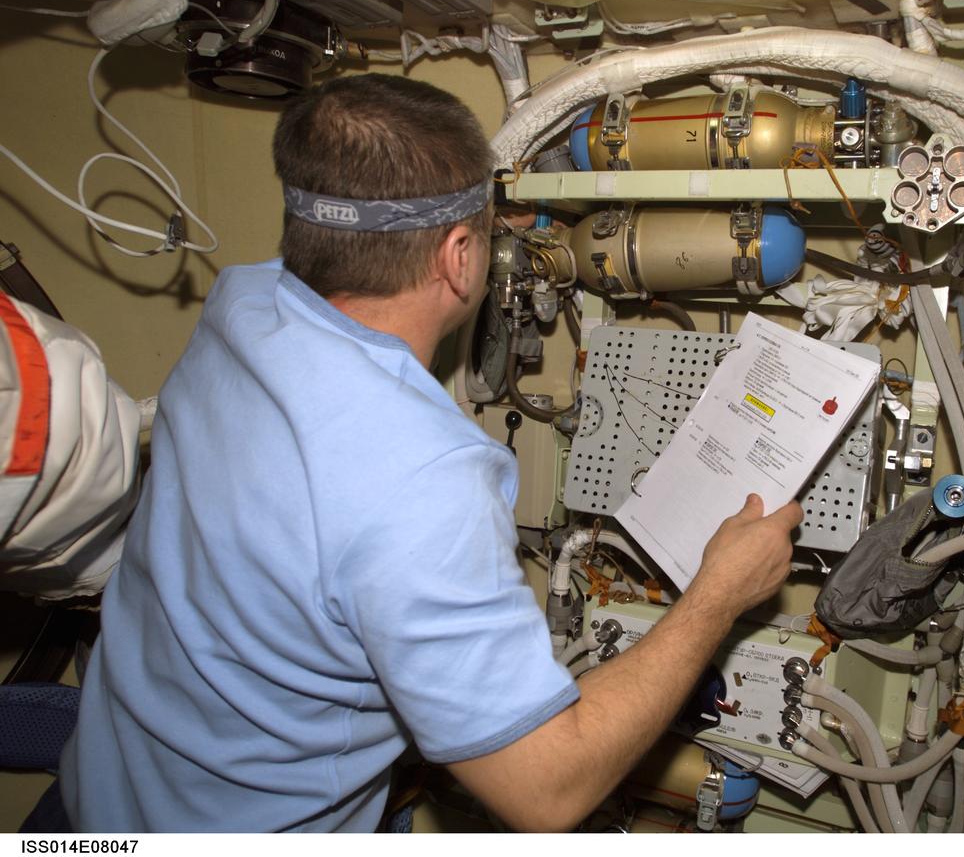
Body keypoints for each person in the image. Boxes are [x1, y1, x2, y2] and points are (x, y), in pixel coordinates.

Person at [60, 73, 802, 832]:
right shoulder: (421, 480)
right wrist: (717, 594)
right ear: (457, 256)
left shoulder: (239, 305)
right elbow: (549, 787)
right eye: (487, 230)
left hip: (106, 795)